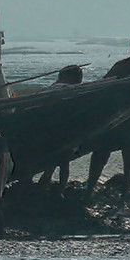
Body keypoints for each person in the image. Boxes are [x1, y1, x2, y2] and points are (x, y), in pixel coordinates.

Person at [85, 35, 130, 200]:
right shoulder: (122, 66)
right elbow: (105, 83)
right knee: (101, 153)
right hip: (115, 116)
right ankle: (89, 189)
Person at [38, 65, 83, 195]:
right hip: (69, 132)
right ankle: (59, 188)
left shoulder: (60, 88)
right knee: (64, 162)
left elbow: (41, 95)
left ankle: (46, 181)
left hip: (54, 131)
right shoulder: (79, 90)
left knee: (54, 160)